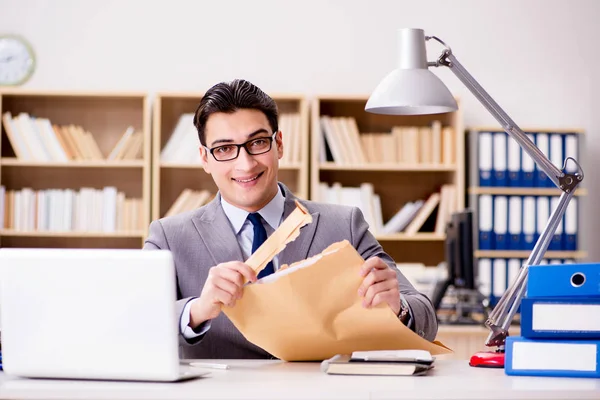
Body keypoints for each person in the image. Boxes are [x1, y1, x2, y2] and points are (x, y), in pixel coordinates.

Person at [143, 79, 438, 359]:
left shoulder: (344, 223)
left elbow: (425, 316)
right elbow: (136, 323)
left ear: (279, 144)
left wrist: (397, 308)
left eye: (257, 143)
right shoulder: (169, 236)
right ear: (205, 158)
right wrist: (195, 311)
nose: (245, 164)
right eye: (224, 149)